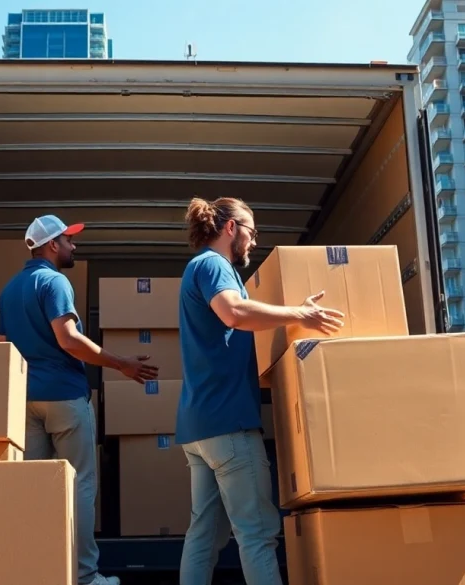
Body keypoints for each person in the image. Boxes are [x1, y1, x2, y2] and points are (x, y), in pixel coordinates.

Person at [176, 197, 345, 585]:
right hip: (228, 425)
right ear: (231, 228)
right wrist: (302, 314)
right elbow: (233, 312)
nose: (254, 240)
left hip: (200, 427)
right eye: (252, 231)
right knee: (256, 535)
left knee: (204, 536)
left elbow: (243, 317)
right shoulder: (213, 265)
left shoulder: (201, 268)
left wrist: (292, 313)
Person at [0, 215, 159, 585]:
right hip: (65, 396)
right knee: (79, 483)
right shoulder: (54, 281)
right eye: (69, 240)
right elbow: (68, 339)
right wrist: (121, 364)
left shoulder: (8, 290)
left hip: (23, 400)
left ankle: (38, 573)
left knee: (31, 488)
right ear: (52, 245)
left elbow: (1, 350)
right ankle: (85, 577)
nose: (74, 246)